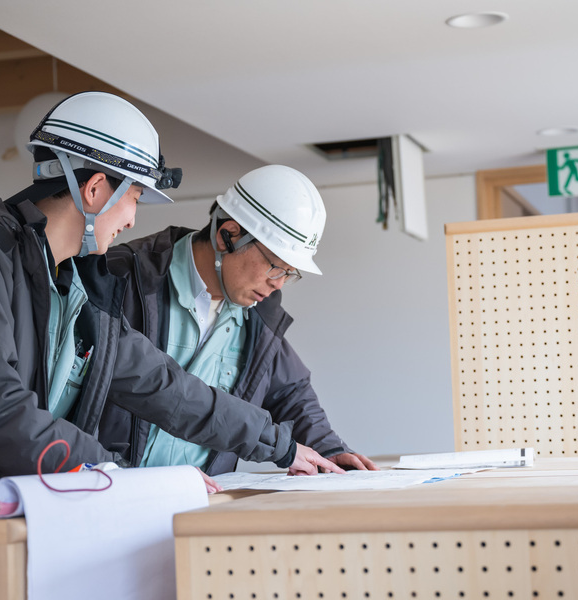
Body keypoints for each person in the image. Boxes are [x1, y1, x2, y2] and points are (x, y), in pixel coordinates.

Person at [0, 92, 336, 508]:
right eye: (135, 197)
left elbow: (164, 385)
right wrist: (114, 471)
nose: (133, 220)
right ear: (95, 189)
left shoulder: (70, 286)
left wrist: (282, 446)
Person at [101, 164, 379, 476]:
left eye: (291, 273)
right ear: (228, 235)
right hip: (111, 493)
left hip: (202, 506)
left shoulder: (258, 311)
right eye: (276, 266)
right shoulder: (120, 278)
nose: (279, 283)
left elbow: (289, 393)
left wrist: (329, 450)